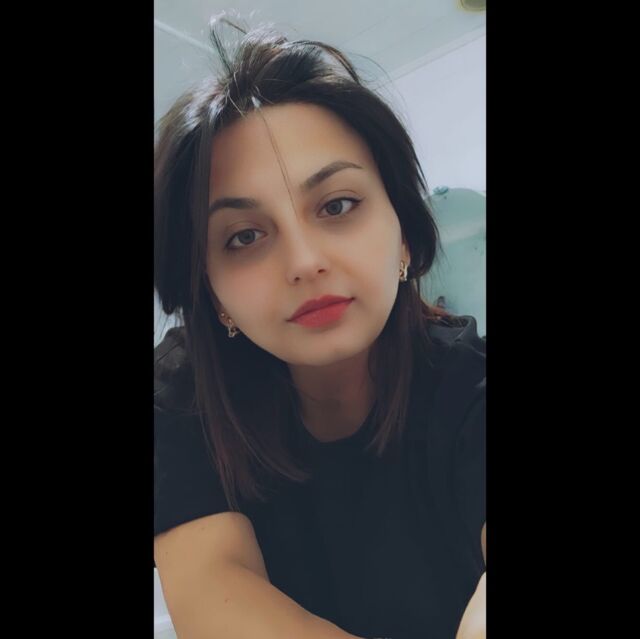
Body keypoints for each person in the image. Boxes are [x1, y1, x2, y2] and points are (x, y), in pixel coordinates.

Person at [154, 15, 485, 639]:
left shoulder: (471, 387)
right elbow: (214, 591)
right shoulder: (180, 396)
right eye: (244, 237)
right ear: (211, 293)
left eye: (337, 205)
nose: (304, 262)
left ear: (405, 234)